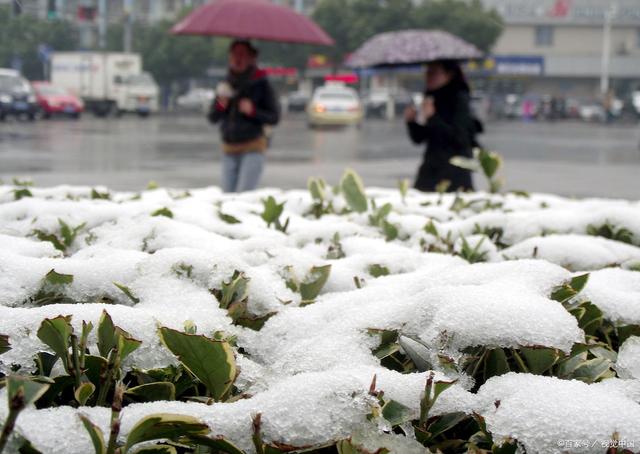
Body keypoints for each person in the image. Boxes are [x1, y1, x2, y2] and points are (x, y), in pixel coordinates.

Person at [208, 40, 280, 192]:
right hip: (229, 149)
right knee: (227, 196)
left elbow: (274, 117)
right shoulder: (225, 83)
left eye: (242, 54)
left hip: (253, 148)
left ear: (251, 58)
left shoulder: (261, 83)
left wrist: (253, 111)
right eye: (234, 54)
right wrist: (222, 104)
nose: (237, 59)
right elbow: (212, 117)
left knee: (243, 197)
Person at [404, 60, 478, 192]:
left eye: (433, 73)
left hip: (454, 171)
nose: (428, 76)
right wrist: (411, 121)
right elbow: (419, 138)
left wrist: (433, 117)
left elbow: (459, 138)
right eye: (427, 72)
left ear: (449, 74)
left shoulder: (459, 99)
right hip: (431, 167)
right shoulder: (430, 98)